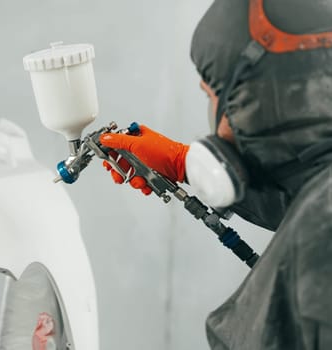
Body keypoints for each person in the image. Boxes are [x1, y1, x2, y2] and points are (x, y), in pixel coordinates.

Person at [100, 0, 332, 348]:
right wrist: (183, 164)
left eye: (212, 96)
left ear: (252, 103)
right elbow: (304, 195)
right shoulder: (320, 201)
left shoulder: (320, 239)